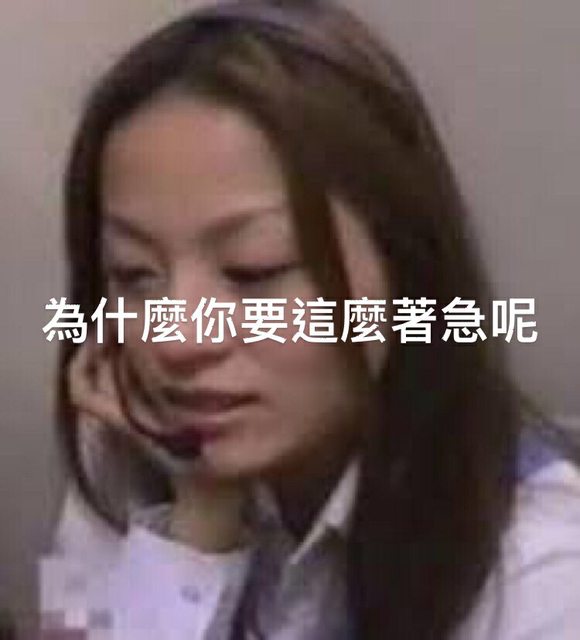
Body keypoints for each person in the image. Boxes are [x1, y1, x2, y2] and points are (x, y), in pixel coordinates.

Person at [44, 1, 580, 638]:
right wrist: (197, 522)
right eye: (135, 274)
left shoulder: (544, 574)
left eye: (253, 270)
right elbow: (67, 624)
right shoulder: (120, 451)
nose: (176, 338)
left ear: (405, 266)